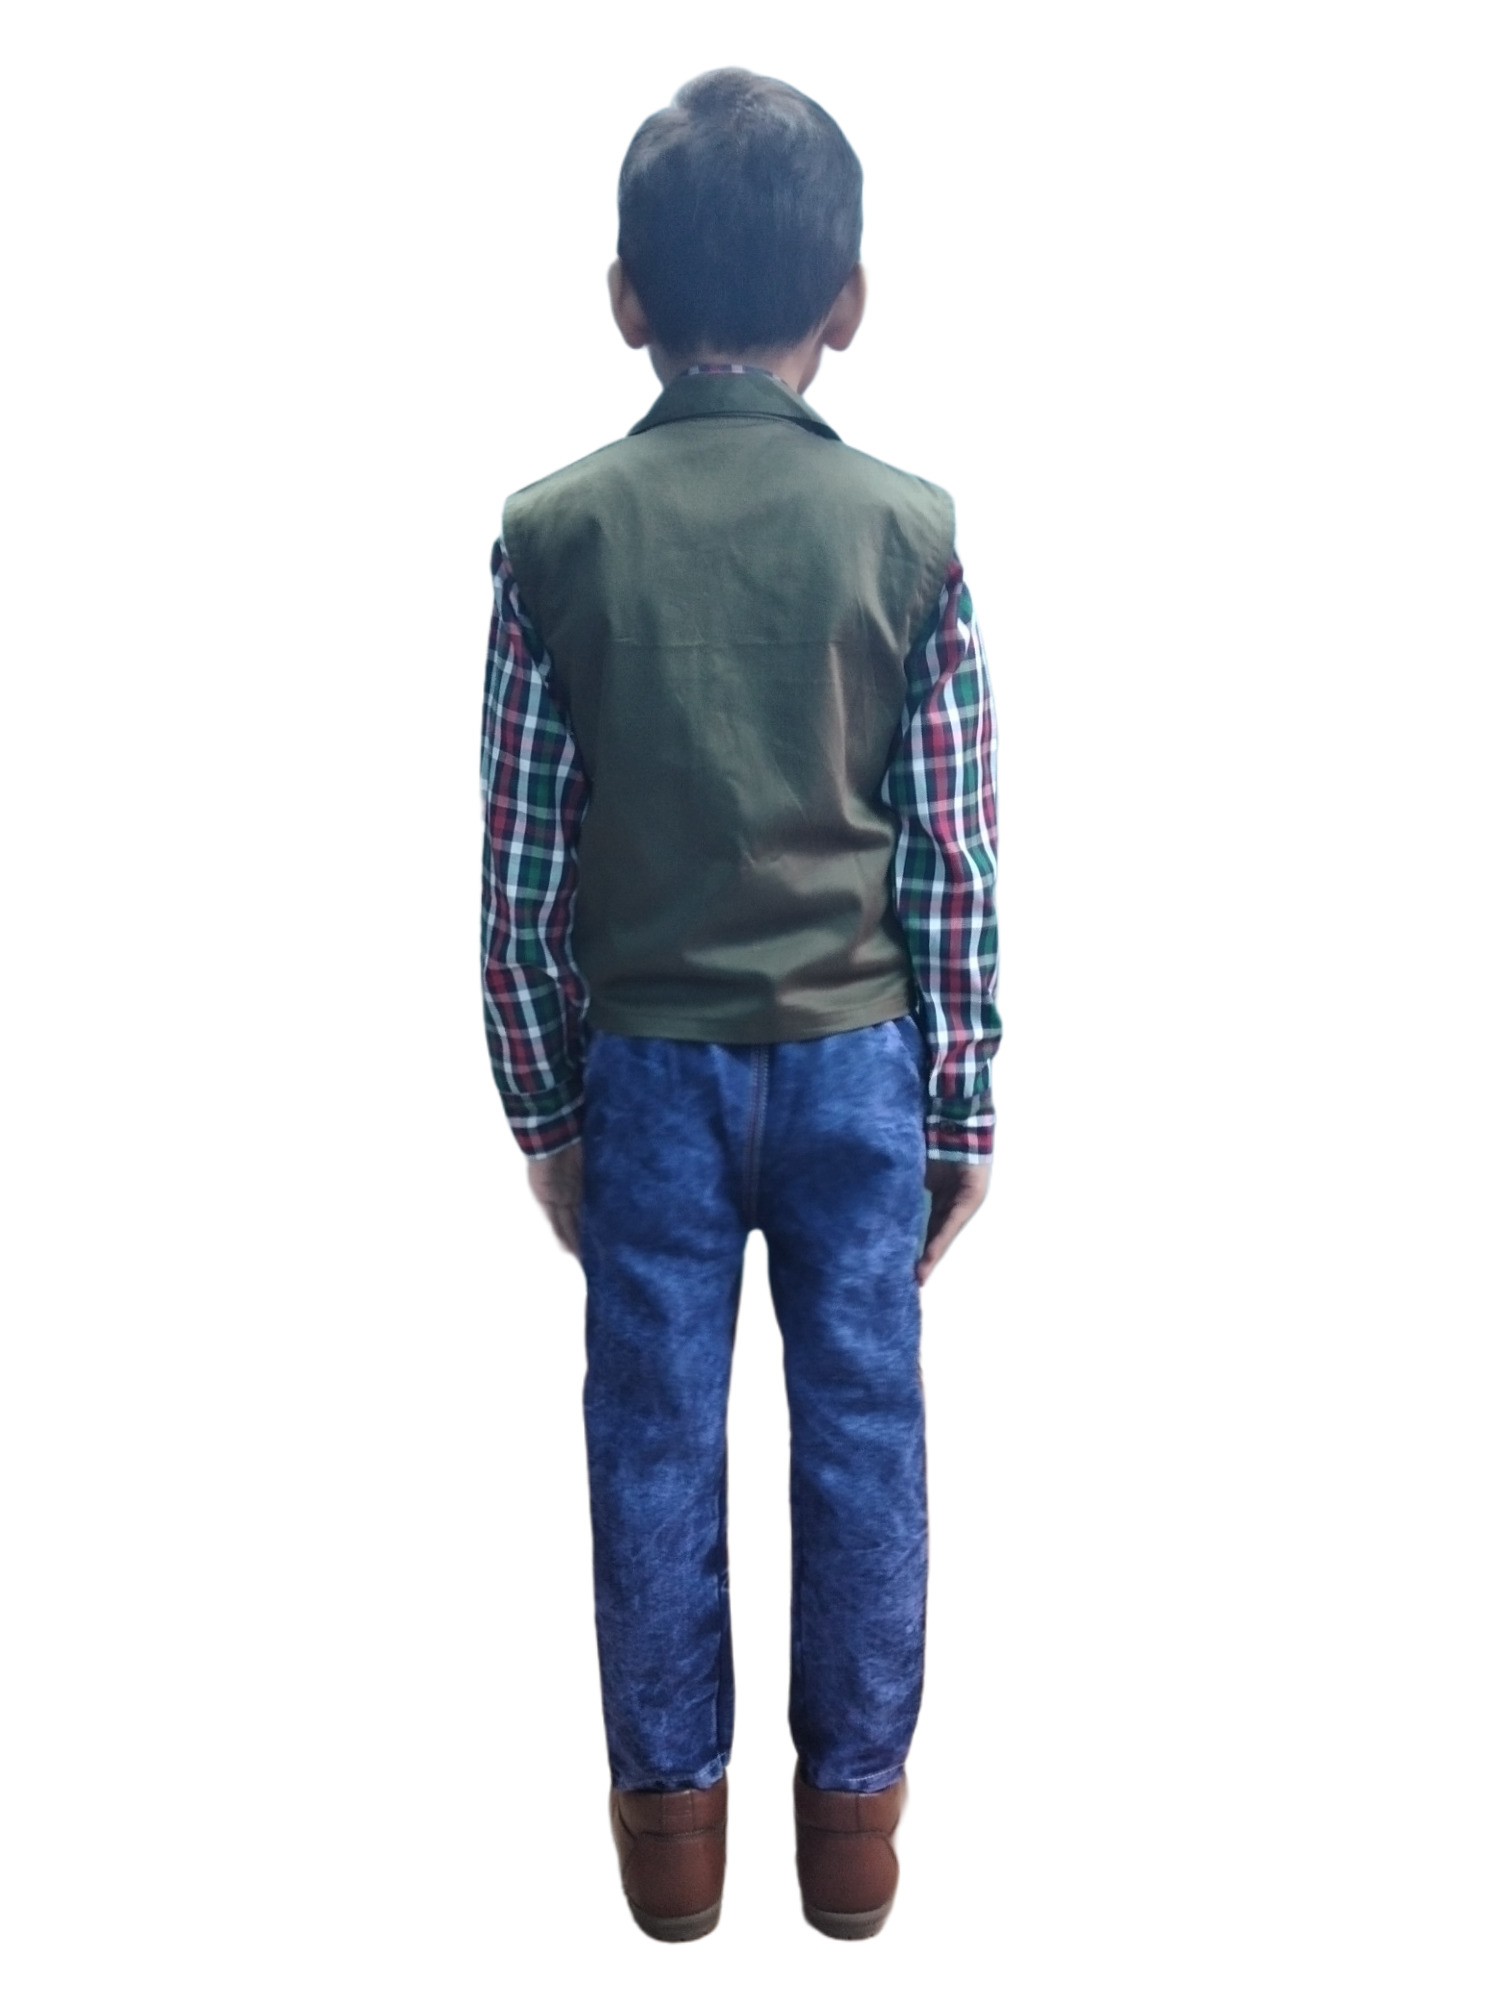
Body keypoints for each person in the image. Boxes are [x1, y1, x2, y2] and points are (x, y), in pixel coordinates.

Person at [480, 68, 1000, 1943]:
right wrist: (960, 1100)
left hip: (648, 1073)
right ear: (845, 302)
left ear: (627, 298)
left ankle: (671, 1850)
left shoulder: (553, 536)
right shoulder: (908, 533)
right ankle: (852, 1839)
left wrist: (548, 1113)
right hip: (859, 1064)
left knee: (651, 1444)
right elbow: (949, 850)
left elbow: (525, 872)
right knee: (864, 1440)